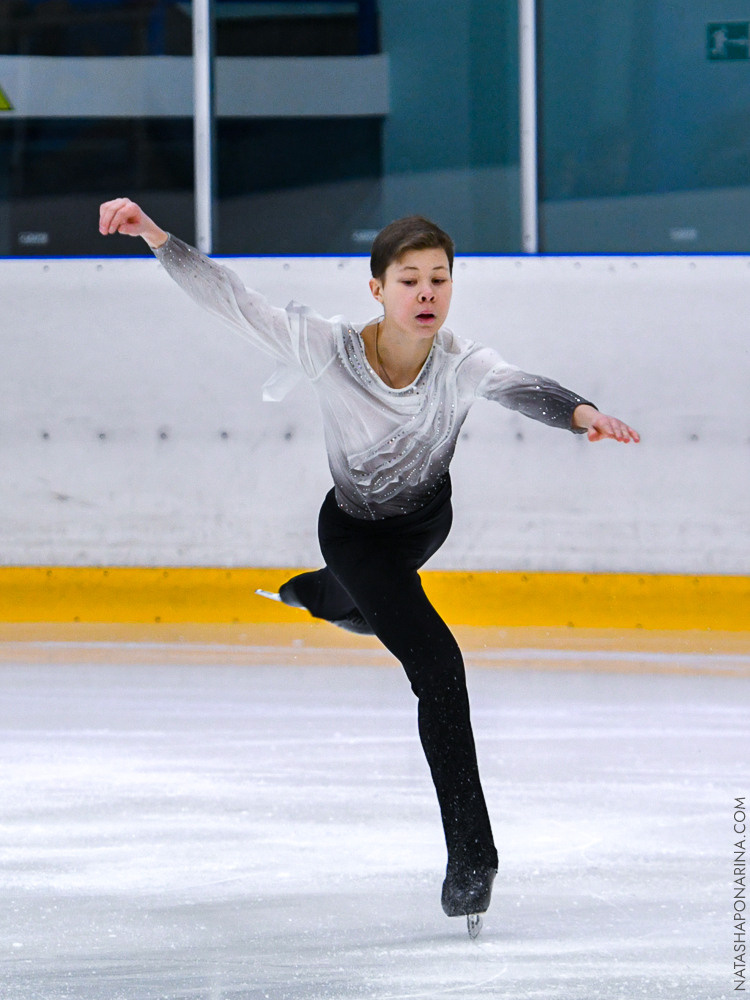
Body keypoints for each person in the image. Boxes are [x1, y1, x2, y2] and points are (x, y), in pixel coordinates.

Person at [98, 198, 640, 927]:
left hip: (424, 525)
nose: (426, 294)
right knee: (437, 665)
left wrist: (583, 415)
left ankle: (316, 596)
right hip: (353, 532)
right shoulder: (328, 349)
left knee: (359, 603)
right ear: (378, 289)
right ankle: (472, 860)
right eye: (410, 280)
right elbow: (233, 301)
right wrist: (156, 236)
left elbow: (522, 388)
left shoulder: (461, 362)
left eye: (439, 280)